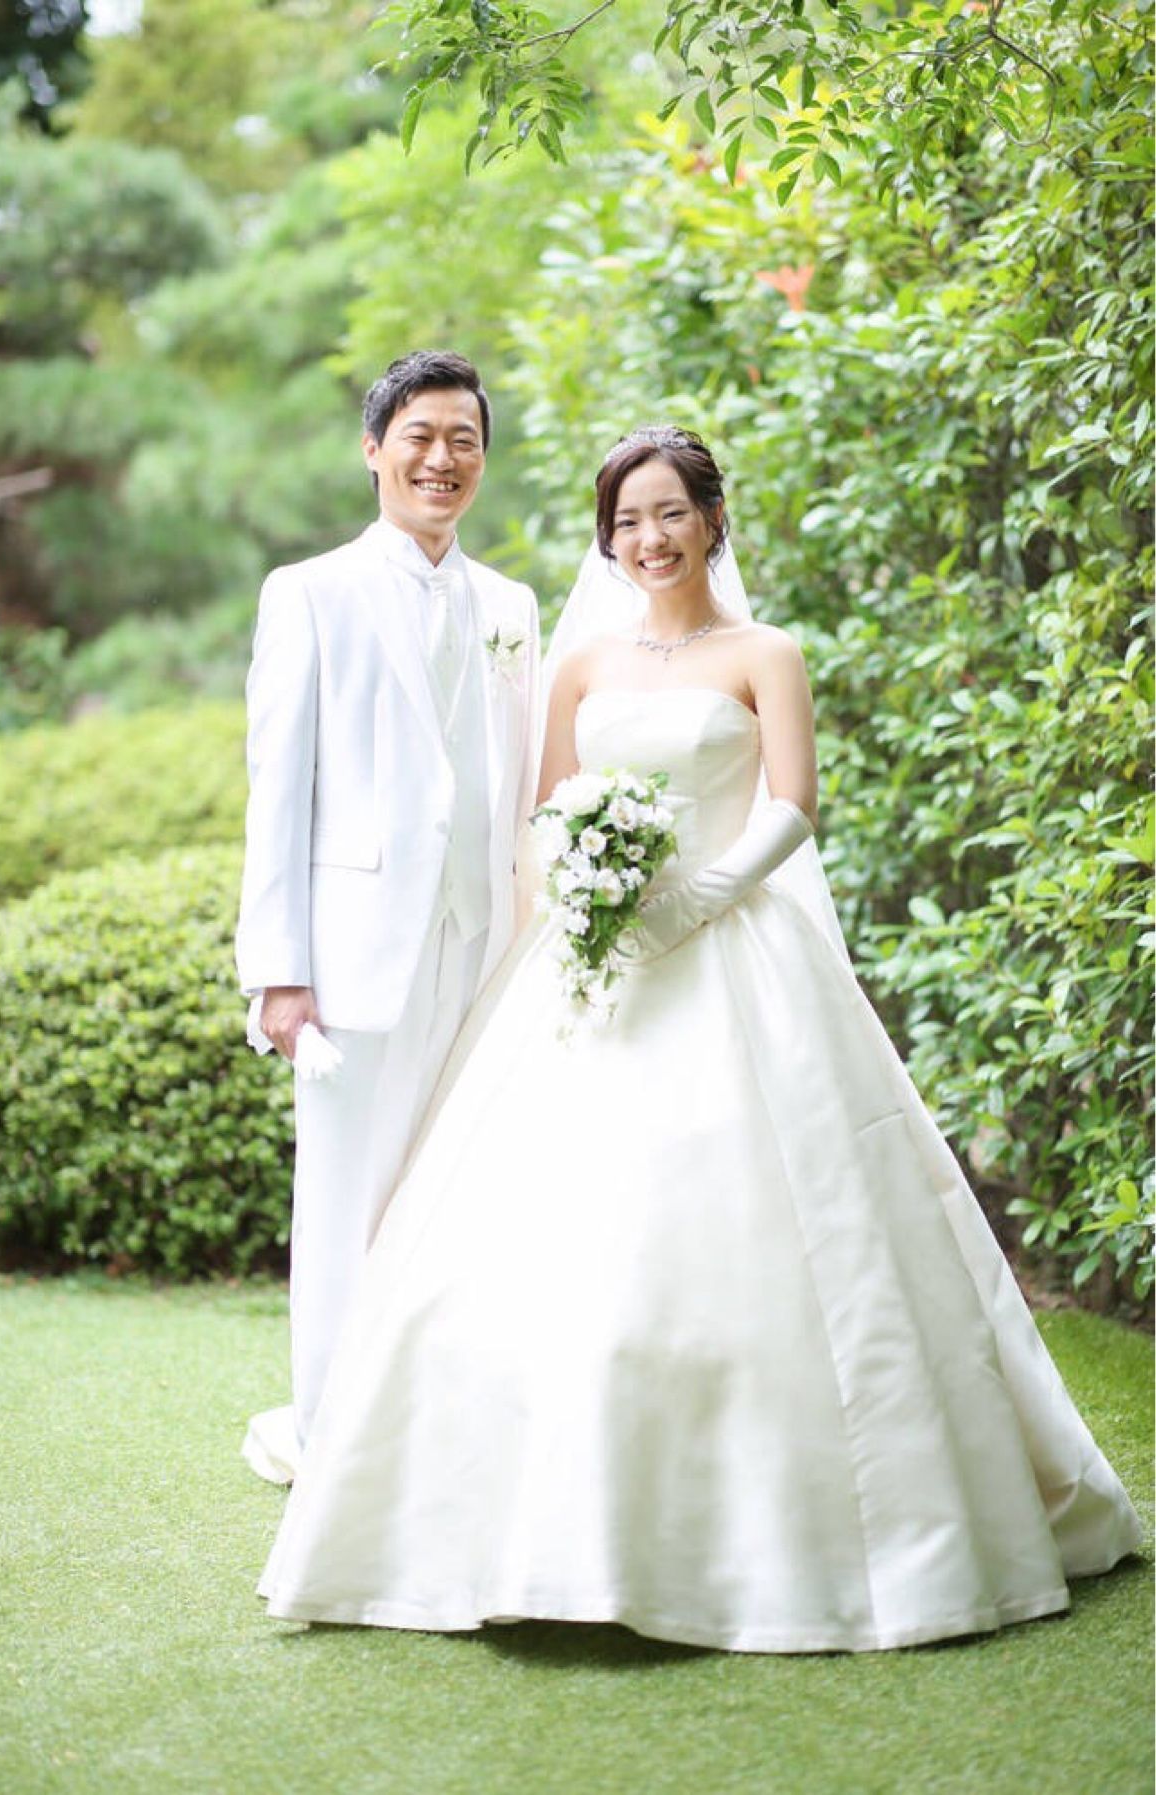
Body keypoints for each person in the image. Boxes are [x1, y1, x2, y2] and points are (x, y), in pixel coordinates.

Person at [256, 425, 1140, 1652]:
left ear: (712, 520)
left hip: (737, 949)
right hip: (594, 963)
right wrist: (588, 894)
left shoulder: (764, 652)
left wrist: (701, 896)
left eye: (669, 512)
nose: (648, 538)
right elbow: (548, 810)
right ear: (606, 541)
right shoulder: (579, 663)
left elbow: (794, 799)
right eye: (625, 521)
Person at [234, 350, 540, 1483]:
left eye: (464, 439)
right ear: (374, 450)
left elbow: (517, 784)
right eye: (419, 436)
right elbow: (278, 787)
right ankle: (332, 1438)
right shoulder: (308, 591)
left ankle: (436, 1426)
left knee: (458, 1194)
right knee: (343, 1198)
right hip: (353, 956)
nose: (441, 459)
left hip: (482, 943)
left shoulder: (511, 606)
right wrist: (278, 971)